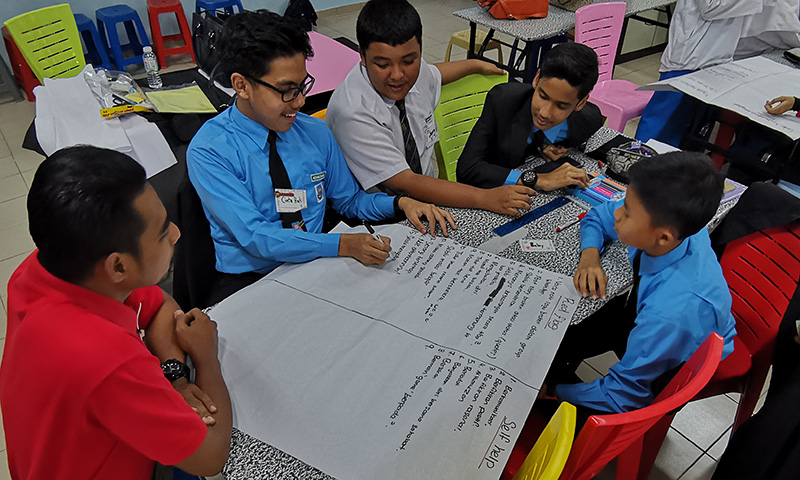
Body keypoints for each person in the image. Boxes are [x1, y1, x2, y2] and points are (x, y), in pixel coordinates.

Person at [187, 10, 455, 303]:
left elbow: (351, 202)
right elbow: (257, 237)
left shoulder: (314, 132)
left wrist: (400, 202)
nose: (301, 101)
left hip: (316, 264)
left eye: (303, 86)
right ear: (242, 85)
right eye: (287, 91)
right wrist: (342, 244)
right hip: (253, 280)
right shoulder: (211, 150)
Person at [0, 145, 232, 479]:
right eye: (164, 231)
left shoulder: (44, 269)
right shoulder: (106, 358)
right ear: (118, 266)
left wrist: (175, 378)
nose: (177, 235)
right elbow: (211, 456)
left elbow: (157, 305)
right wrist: (206, 356)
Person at [327, 0, 580, 217]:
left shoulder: (415, 74)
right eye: (382, 64)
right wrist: (486, 198)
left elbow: (433, 73)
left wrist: (473, 64)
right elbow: (405, 181)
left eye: (409, 60)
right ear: (362, 55)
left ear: (419, 50)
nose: (397, 75)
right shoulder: (355, 112)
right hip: (383, 215)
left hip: (428, 197)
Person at [543, 152, 737, 415]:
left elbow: (621, 397)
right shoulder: (676, 223)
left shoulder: (669, 314)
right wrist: (589, 257)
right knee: (560, 338)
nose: (617, 214)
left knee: (546, 403)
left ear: (663, 238)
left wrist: (554, 392)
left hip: (679, 360)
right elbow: (598, 217)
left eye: (627, 212)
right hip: (651, 313)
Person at [456, 42, 602, 190]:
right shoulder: (503, 101)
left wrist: (559, 147)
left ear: (581, 103)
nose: (545, 112)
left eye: (561, 106)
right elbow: (467, 169)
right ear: (537, 78)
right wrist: (537, 179)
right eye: (543, 96)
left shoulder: (589, 120)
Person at [635, 0, 764, 146]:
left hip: (718, 56)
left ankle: (672, 165)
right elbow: (710, 8)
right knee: (660, 122)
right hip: (689, 58)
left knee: (690, 128)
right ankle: (634, 161)